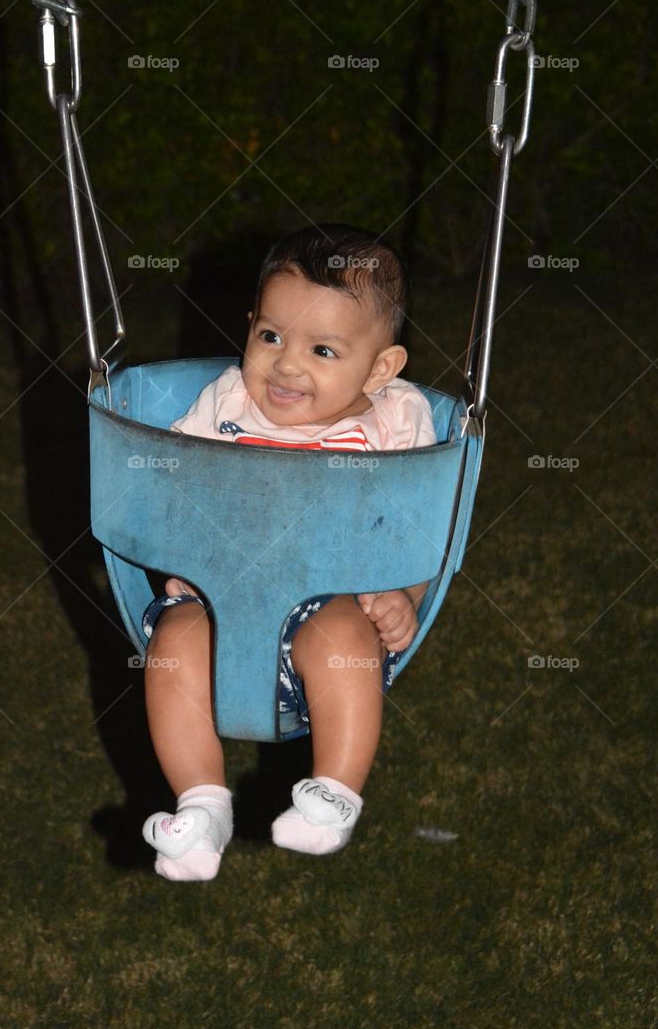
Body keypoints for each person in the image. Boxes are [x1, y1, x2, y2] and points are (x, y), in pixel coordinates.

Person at [141, 224, 437, 880]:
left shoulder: (393, 417)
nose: (286, 364)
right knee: (174, 642)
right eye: (270, 336)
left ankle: (333, 795)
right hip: (221, 596)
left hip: (331, 600)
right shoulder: (226, 399)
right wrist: (182, 564)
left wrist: (401, 596)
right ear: (249, 327)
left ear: (381, 367)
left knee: (342, 637)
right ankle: (200, 808)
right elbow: (173, 486)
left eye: (323, 349)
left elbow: (419, 520)